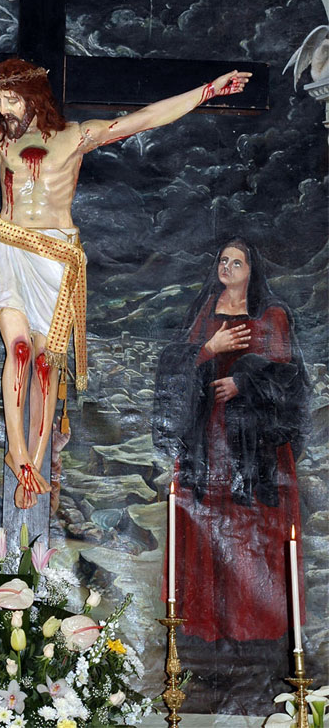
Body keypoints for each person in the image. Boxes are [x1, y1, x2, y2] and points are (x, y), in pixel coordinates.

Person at [0, 57, 251, 508]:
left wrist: (208, 90)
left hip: (54, 257)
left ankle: (36, 458)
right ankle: (17, 453)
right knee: (18, 349)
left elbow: (146, 118)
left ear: (33, 97)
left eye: (10, 100)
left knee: (44, 363)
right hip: (10, 247)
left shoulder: (77, 136)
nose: (4, 109)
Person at [153, 238, 309, 643]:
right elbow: (177, 363)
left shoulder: (272, 315)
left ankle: (253, 628)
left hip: (255, 445)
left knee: (249, 527)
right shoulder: (208, 309)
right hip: (208, 438)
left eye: (237, 262)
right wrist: (210, 348)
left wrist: (242, 382)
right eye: (223, 261)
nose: (227, 268)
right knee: (209, 525)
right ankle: (209, 626)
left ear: (252, 270)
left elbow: (287, 375)